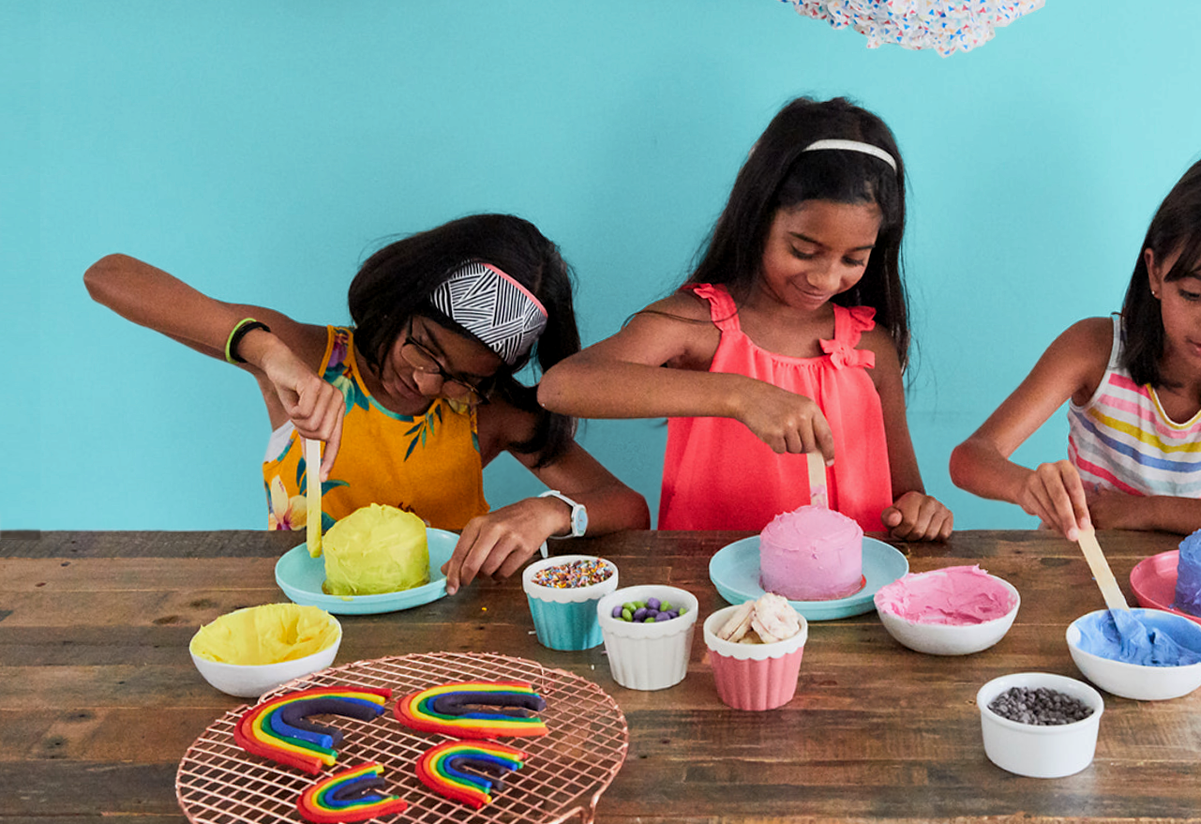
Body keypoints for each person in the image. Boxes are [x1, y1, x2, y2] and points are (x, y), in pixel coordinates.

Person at [84, 214, 650, 590]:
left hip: (442, 644)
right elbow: (109, 276)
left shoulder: (488, 410)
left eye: (459, 378)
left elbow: (628, 507)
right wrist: (267, 354)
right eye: (423, 348)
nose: (428, 384)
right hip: (306, 635)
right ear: (401, 298)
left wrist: (552, 510)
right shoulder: (307, 356)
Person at [537, 97, 952, 541]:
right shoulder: (699, 325)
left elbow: (906, 493)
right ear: (758, 219)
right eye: (804, 251)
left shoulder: (870, 347)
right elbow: (564, 386)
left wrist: (920, 512)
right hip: (715, 597)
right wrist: (740, 396)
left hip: (852, 597)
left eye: (854, 258)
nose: (826, 277)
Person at [951, 153, 1201, 554]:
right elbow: (970, 459)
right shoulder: (1095, 350)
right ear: (1155, 272)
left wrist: (1148, 511)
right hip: (1086, 575)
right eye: (1193, 294)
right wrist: (1025, 486)